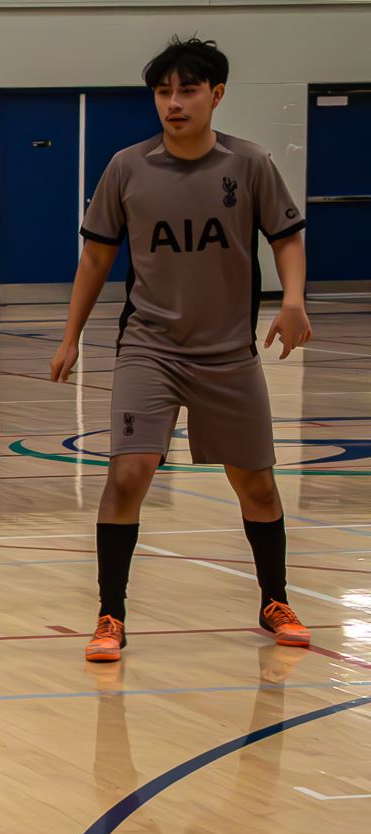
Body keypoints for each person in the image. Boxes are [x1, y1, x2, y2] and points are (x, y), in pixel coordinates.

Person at [48, 37, 312, 661]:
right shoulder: (126, 167)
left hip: (228, 355)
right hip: (151, 348)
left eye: (187, 90)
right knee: (128, 473)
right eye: (164, 91)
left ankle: (274, 600)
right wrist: (70, 336)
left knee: (258, 486)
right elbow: (95, 257)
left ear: (216, 95)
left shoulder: (249, 164)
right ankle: (110, 615)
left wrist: (293, 300)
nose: (173, 102)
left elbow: (286, 237)